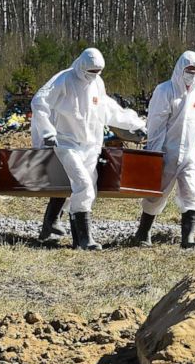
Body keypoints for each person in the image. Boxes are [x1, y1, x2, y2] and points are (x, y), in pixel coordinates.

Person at [31, 48, 145, 250]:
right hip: (66, 143)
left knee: (85, 188)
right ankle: (84, 240)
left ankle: (57, 228)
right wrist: (47, 132)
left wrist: (136, 124)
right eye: (91, 70)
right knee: (82, 185)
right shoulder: (64, 79)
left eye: (97, 71)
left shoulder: (97, 83)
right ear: (81, 64)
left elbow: (109, 109)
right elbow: (40, 102)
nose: (93, 75)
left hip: (91, 145)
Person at [133, 51, 195, 249]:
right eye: (189, 71)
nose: (192, 75)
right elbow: (156, 124)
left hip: (189, 155)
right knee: (156, 194)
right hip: (166, 152)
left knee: (190, 193)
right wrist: (154, 153)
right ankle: (143, 233)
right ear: (180, 69)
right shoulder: (165, 91)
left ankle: (188, 239)